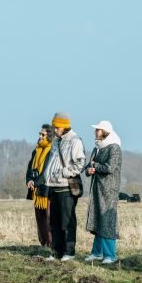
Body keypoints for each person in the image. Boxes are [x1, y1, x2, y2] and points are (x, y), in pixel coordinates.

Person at [42, 111, 86, 261]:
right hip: (53, 187)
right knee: (54, 223)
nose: (54, 130)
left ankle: (69, 252)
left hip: (66, 188)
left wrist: (65, 172)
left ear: (64, 126)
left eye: (57, 127)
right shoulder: (57, 141)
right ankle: (56, 252)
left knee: (67, 223)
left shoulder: (75, 141)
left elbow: (80, 163)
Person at [84, 120, 122, 264]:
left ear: (105, 132)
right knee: (98, 220)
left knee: (107, 221)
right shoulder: (97, 148)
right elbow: (89, 166)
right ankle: (97, 252)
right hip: (96, 189)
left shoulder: (114, 148)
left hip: (108, 190)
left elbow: (111, 167)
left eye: (98, 130)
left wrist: (96, 166)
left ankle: (110, 255)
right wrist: (89, 169)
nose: (95, 132)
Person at [25, 124, 53, 249]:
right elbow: (30, 168)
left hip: (47, 189)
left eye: (43, 134)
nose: (40, 136)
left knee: (48, 218)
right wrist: (29, 180)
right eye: (40, 134)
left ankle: (52, 244)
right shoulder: (35, 150)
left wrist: (36, 182)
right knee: (39, 218)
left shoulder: (52, 151)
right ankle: (43, 243)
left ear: (49, 136)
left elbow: (47, 171)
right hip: (35, 190)